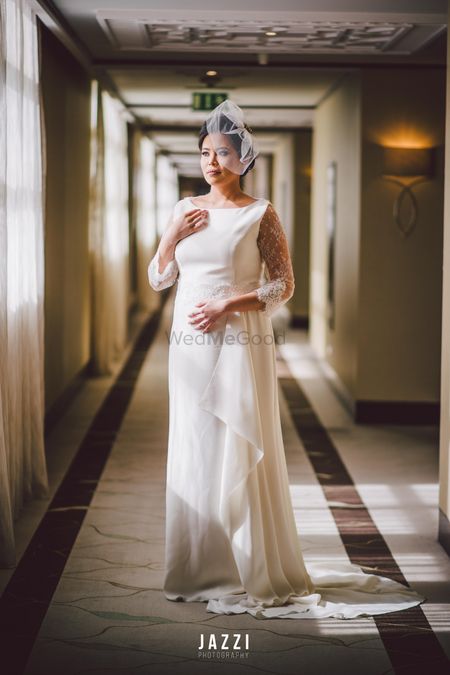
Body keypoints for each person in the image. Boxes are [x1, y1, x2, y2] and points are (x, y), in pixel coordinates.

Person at [147, 100, 426, 619]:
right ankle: (197, 565)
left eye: (223, 152)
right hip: (188, 345)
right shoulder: (184, 209)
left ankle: (246, 563)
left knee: (235, 440)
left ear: (242, 158)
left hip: (237, 340)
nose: (212, 161)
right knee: (195, 444)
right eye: (206, 152)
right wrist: (170, 238)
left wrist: (230, 301)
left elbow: (284, 284)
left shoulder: (261, 212)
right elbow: (160, 278)